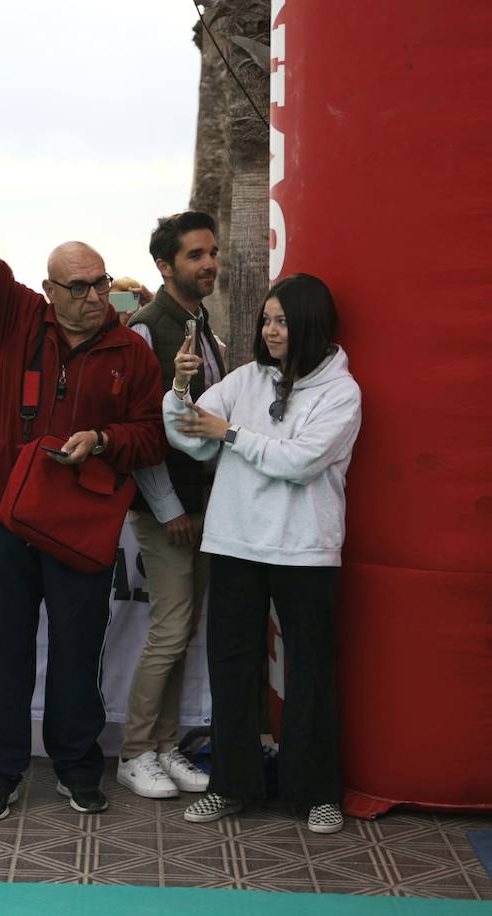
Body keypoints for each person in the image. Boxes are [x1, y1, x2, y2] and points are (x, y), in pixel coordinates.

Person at [0, 120, 166, 820]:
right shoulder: (17, 317)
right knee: (4, 653)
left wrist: (100, 439)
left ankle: (77, 768)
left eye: (102, 283)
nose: (95, 295)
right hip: (9, 519)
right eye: (79, 286)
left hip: (82, 526)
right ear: (50, 288)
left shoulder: (132, 352)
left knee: (77, 653)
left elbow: (154, 434)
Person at [167, 274, 360, 835]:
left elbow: (298, 461)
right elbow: (190, 433)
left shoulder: (342, 393)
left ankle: (316, 793)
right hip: (234, 542)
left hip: (305, 547)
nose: (270, 330)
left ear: (310, 324)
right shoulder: (245, 378)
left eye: (281, 321)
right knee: (230, 667)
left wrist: (231, 434)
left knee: (311, 672)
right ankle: (231, 785)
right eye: (266, 320)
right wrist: (180, 390)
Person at [116, 212, 224, 800]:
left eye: (211, 252)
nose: (209, 263)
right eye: (195, 255)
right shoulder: (143, 328)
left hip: (205, 505)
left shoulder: (202, 325)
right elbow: (139, 431)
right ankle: (134, 751)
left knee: (181, 632)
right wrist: (167, 510)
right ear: (165, 265)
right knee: (170, 630)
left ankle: (162, 745)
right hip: (170, 511)